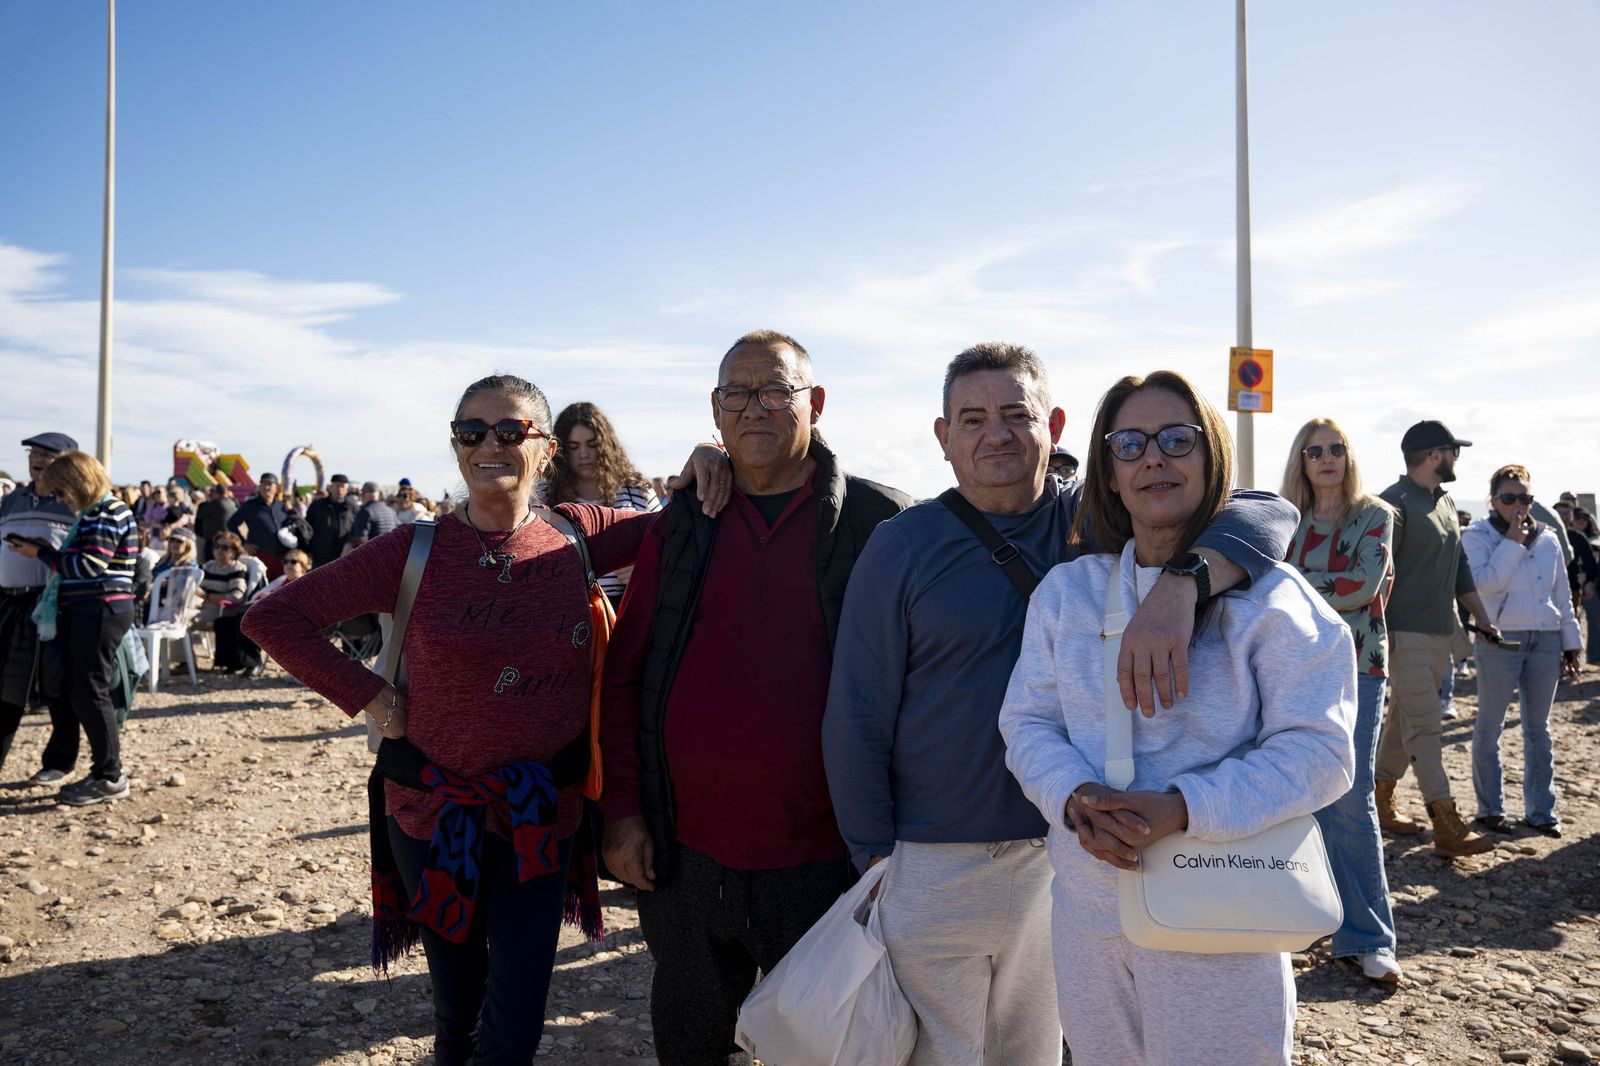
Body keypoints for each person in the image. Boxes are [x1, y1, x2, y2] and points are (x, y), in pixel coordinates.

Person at [824, 345, 1299, 1064]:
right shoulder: (902, 544)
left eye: (1017, 414)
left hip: (1068, 853)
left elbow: (1270, 510)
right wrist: (874, 855)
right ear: (943, 435)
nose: (997, 434)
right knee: (939, 1053)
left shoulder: (1100, 524)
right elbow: (858, 709)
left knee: (1040, 1052)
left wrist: (1183, 584)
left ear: (1055, 424)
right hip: (934, 856)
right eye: (974, 418)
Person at [245, 373, 721, 1065]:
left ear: (546, 447)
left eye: (509, 431)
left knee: (520, 999)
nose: (488, 445)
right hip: (432, 814)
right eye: (471, 432)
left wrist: (712, 453)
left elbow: (684, 525)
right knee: (458, 1005)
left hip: (539, 814)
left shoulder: (577, 535)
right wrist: (370, 695)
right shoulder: (412, 551)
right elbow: (273, 615)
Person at [999, 371, 1356, 1066]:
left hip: (1220, 914)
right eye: (1129, 443)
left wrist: (1182, 807)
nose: (1153, 458)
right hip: (1089, 915)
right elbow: (1029, 722)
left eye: (1176, 439)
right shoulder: (1067, 594)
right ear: (1107, 468)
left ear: (1210, 454)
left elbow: (1322, 751)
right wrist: (1074, 797)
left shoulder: (1277, 604)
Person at [599, 330, 913, 1066]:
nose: (755, 409)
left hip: (830, 861)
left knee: (832, 1049)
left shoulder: (882, 522)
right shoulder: (683, 522)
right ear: (715, 411)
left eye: (776, 390)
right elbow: (625, 674)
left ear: (817, 403)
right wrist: (621, 810)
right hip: (685, 855)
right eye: (736, 394)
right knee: (691, 1044)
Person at [1279, 417, 1402, 985]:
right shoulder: (1286, 521)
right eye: (1314, 450)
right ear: (1301, 461)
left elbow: (1362, 586)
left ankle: (1370, 936)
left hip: (1357, 669)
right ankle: (1302, 919)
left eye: (1336, 448)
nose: (1326, 458)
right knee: (1293, 794)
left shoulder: (1375, 515)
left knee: (1350, 799)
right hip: (1288, 671)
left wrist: (1296, 582)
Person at [1372, 420, 1499, 857]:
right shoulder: (1392, 505)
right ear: (1433, 455)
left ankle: (1379, 796)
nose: (1456, 458)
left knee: (1403, 723)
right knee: (1425, 727)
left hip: (1442, 634)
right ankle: (1445, 822)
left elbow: (1460, 566)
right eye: (1452, 451)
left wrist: (1481, 618)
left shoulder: (1443, 501)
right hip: (1402, 634)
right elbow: (1379, 576)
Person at [9, 450, 140, 806]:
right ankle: (105, 772)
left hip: (98, 610)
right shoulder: (99, 512)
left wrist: (41, 554)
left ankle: (110, 775)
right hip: (93, 610)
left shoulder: (105, 512)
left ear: (77, 482)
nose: (62, 500)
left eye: (63, 491)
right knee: (85, 690)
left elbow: (89, 566)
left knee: (90, 691)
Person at [1462, 465, 1582, 838]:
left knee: (1538, 730)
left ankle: (1541, 812)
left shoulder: (1548, 539)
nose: (1518, 505)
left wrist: (1571, 642)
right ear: (1493, 500)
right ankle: (1490, 809)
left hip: (1544, 639)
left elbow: (1561, 594)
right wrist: (1512, 542)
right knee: (1490, 726)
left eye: (1525, 498)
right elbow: (1485, 586)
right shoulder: (1476, 536)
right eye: (1509, 498)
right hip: (1500, 639)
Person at [0, 432, 80, 785]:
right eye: (32, 452)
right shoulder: (12, 499)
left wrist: (41, 550)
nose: (36, 458)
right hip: (9, 603)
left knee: (57, 686)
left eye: (46, 453)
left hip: (52, 605)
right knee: (6, 686)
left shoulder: (75, 503)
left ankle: (59, 763)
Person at [545, 402, 662, 608]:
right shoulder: (544, 497)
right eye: (573, 447)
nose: (584, 454)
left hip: (632, 610)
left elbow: (671, 546)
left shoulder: (638, 492)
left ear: (606, 445)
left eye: (592, 444)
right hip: (568, 611)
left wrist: (646, 566)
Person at [228, 472, 289, 579]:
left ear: (277, 487)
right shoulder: (250, 506)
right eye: (263, 484)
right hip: (261, 556)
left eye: (270, 484)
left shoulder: (281, 506)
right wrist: (244, 543)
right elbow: (231, 523)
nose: (266, 487)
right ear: (259, 487)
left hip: (282, 557)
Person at [306, 474, 360, 567]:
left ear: (347, 489)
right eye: (337, 486)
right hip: (321, 556)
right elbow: (307, 529)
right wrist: (308, 550)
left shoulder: (353, 507)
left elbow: (358, 529)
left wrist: (350, 543)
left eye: (342, 486)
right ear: (330, 487)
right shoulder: (317, 506)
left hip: (344, 555)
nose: (339, 489)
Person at [343, 481, 399, 556]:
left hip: (372, 557)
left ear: (363, 494)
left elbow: (360, 538)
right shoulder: (391, 511)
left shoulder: (366, 511)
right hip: (389, 555)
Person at [194, 483, 238, 564]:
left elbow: (200, 514)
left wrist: (207, 501)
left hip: (213, 540)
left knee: (210, 564)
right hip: (228, 540)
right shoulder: (232, 503)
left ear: (216, 493)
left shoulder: (214, 504)